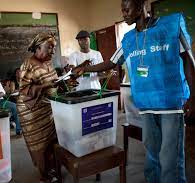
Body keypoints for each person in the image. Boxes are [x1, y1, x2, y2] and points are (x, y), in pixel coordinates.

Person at [74, 0, 195, 182]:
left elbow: (188, 60)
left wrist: (193, 97)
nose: (123, 13)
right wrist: (84, 69)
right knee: (152, 154)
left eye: (126, 9)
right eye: (122, 10)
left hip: (170, 103)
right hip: (146, 106)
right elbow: (112, 62)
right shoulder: (129, 39)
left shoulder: (170, 25)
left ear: (140, 7)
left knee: (170, 157)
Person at [17, 32, 59, 183]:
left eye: (54, 48)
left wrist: (66, 83)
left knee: (52, 141)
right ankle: (44, 176)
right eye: (49, 48)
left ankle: (52, 169)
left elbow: (53, 83)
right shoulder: (28, 64)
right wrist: (45, 85)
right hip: (31, 111)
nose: (53, 51)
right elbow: (23, 90)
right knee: (40, 145)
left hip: (48, 107)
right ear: (38, 47)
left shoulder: (48, 62)